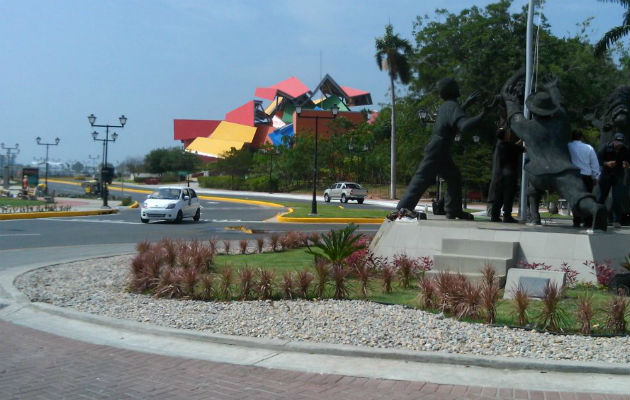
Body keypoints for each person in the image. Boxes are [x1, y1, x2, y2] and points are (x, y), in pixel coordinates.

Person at [501, 70, 607, 231]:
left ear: (533, 110)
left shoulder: (526, 127)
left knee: (533, 187)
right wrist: (553, 88)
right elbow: (561, 105)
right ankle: (593, 208)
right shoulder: (563, 123)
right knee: (579, 196)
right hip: (565, 171)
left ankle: (534, 216)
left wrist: (510, 100)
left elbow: (514, 117)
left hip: (539, 174)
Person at [387, 78, 489, 221]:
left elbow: (453, 117)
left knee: (454, 178)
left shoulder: (447, 106)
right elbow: (464, 126)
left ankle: (453, 210)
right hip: (438, 148)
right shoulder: (451, 106)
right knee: (422, 178)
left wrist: (466, 104)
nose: (459, 88)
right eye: (456, 86)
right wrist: (483, 114)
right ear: (452, 90)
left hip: (441, 149)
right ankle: (402, 209)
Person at [487, 127, 523, 223]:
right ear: (506, 135)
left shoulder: (500, 145)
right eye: (508, 133)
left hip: (499, 175)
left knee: (498, 196)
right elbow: (521, 149)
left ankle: (494, 215)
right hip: (509, 175)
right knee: (508, 196)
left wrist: (520, 141)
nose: (509, 134)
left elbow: (514, 146)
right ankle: (507, 216)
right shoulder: (509, 146)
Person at [596, 132, 630, 227]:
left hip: (618, 176)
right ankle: (598, 218)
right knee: (602, 197)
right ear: (613, 140)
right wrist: (606, 163)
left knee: (617, 198)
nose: (619, 144)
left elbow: (628, 161)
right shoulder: (605, 147)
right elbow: (597, 159)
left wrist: (626, 164)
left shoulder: (626, 150)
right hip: (606, 175)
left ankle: (616, 220)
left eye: (621, 142)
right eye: (618, 141)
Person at [567, 131, 600, 227]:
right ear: (581, 137)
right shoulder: (588, 147)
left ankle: (576, 220)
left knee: (574, 199)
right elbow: (594, 164)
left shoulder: (568, 146)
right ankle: (588, 220)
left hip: (573, 175)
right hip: (586, 175)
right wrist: (595, 176)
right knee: (588, 198)